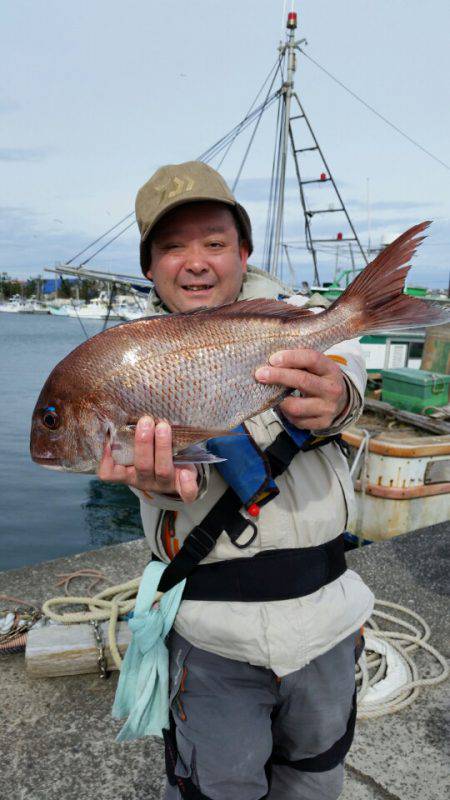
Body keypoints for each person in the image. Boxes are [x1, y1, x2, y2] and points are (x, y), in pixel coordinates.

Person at [98, 161, 374, 800]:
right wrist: (153, 485)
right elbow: (156, 476)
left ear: (243, 251)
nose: (195, 262)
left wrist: (340, 398)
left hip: (328, 620)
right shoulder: (131, 355)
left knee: (316, 778)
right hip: (210, 635)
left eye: (214, 242)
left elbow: (347, 365)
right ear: (148, 265)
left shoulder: (293, 316)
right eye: (172, 246)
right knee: (214, 789)